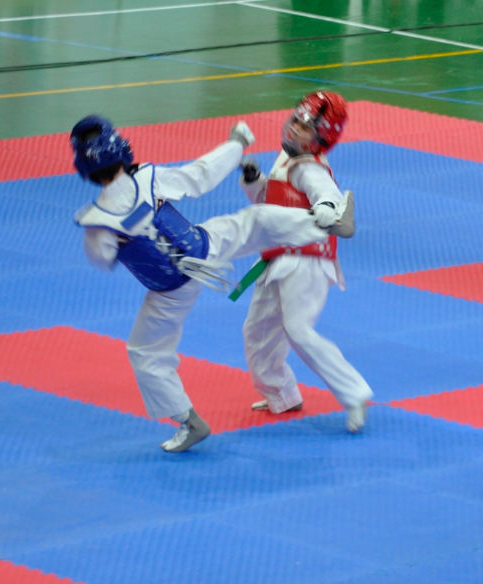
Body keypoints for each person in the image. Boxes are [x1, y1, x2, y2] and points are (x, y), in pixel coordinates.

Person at [71, 114, 353, 453]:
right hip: (204, 249)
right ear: (121, 150)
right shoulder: (146, 179)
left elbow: (102, 259)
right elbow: (200, 175)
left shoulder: (97, 221)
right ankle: (323, 221)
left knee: (146, 352)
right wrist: (236, 143)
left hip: (170, 290)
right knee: (254, 221)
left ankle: (188, 420)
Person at [238, 90, 374, 433]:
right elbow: (270, 202)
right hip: (278, 259)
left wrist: (328, 207)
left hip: (307, 262)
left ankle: (355, 393)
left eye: (305, 128)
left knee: (298, 329)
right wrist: (253, 183)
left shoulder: (309, 168)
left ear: (322, 139)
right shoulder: (285, 160)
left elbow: (325, 193)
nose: (295, 131)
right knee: (258, 331)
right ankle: (281, 394)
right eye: (295, 122)